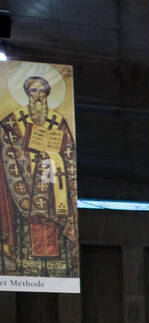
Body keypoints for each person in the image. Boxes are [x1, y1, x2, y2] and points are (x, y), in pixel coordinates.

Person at [0, 73, 79, 278]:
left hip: (53, 192)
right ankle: (26, 266)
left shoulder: (58, 123)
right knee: (26, 233)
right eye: (33, 90)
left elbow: (69, 155)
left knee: (54, 231)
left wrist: (52, 157)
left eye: (42, 91)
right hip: (24, 190)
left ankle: (58, 270)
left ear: (48, 94)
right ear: (27, 93)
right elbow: (7, 153)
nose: (38, 96)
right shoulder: (12, 123)